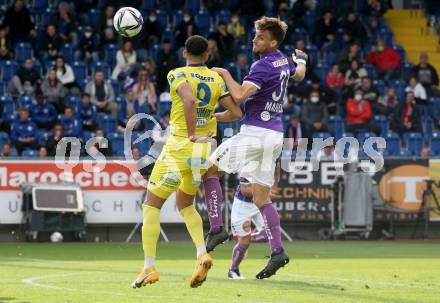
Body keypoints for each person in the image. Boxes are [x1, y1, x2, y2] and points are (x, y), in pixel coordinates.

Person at [132, 35, 242, 289]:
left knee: (151, 205)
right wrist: (210, 118)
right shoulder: (215, 78)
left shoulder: (177, 74)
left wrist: (192, 130)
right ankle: (202, 253)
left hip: (180, 146)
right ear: (207, 55)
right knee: (184, 203)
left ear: (184, 53)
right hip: (204, 150)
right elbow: (236, 113)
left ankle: (149, 267)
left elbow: (189, 99)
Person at [207, 17, 307, 279]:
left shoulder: (262, 66)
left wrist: (225, 74)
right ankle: (277, 252)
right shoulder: (284, 59)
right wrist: (303, 58)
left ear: (272, 42)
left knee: (210, 170)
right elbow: (300, 74)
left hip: (254, 134)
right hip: (274, 135)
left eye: (260, 37)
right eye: (255, 36)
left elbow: (239, 97)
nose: (254, 40)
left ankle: (217, 228)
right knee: (263, 199)